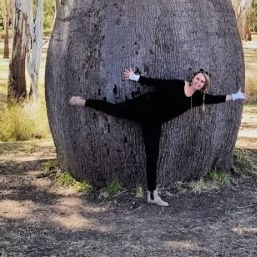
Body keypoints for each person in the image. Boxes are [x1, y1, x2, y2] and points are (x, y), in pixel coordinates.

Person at [69, 67, 246, 207]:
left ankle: (152, 194)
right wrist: (135, 77)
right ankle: (83, 102)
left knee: (152, 156)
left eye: (202, 82)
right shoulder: (178, 84)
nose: (199, 82)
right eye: (198, 78)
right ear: (193, 77)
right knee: (115, 110)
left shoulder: (197, 99)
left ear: (203, 86)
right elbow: (156, 83)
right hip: (143, 106)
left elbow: (216, 99)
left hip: (154, 123)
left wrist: (236, 96)